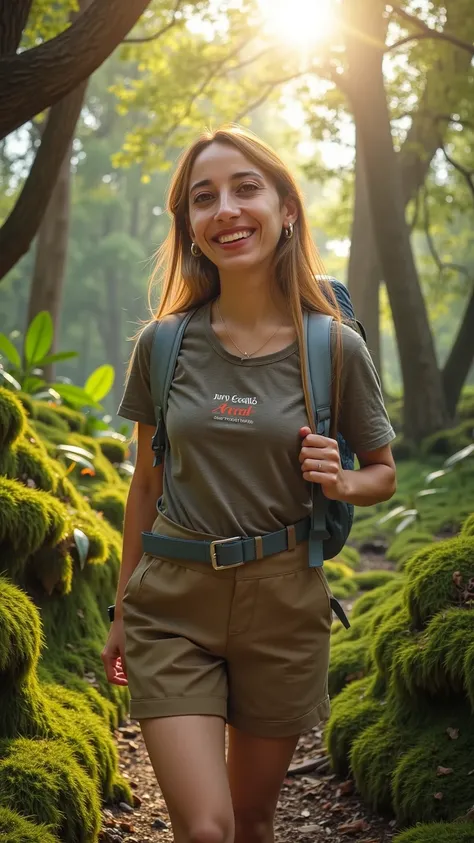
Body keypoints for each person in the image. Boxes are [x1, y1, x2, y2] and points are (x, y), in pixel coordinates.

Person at [101, 125, 396, 843]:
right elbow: (146, 483)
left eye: (245, 188)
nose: (226, 210)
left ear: (285, 208)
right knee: (205, 829)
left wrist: (342, 479)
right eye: (204, 198)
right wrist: (120, 606)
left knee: (254, 820)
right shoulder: (163, 343)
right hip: (171, 606)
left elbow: (382, 471)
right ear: (191, 226)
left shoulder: (334, 345)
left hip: (284, 606)